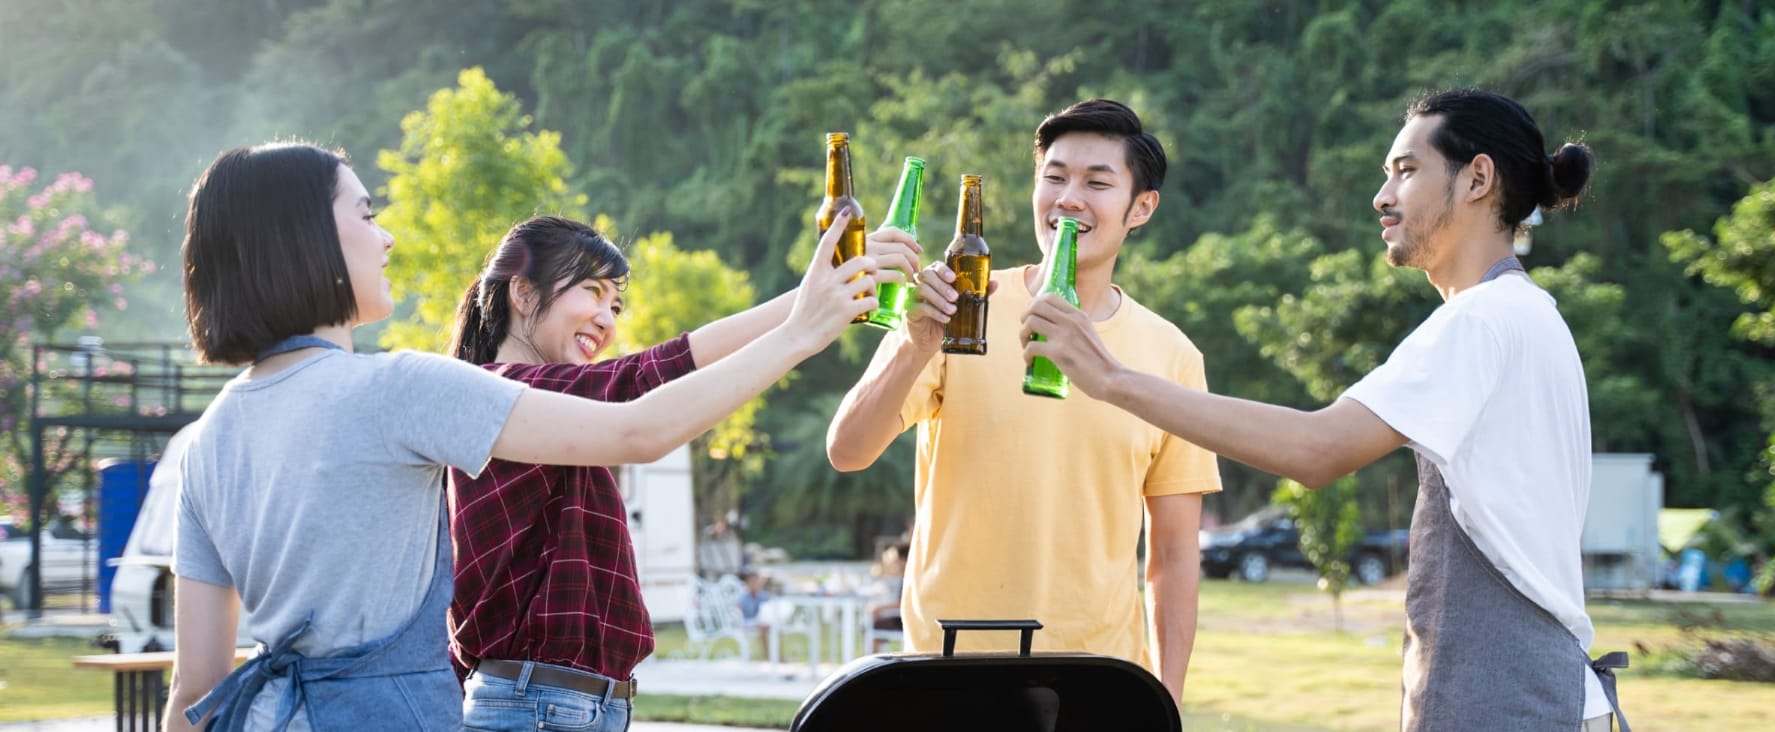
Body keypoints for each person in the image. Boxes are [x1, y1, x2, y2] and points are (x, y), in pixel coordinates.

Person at [163, 142, 881, 731]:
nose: (385, 236)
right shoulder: (399, 387)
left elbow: (193, 694)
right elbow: (639, 427)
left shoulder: (206, 440)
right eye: (366, 212)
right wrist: (803, 331)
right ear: (304, 236)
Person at [1019, 89, 1625, 731]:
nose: (1383, 196)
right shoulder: (1532, 314)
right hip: (1546, 693)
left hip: (1505, 702)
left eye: (1406, 171)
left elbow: (1316, 449)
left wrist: (1112, 379)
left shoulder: (1483, 320)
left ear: (1478, 178)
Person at [444, 215, 919, 730]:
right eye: (592, 292)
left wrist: (821, 291)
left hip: (572, 704)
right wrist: (803, 328)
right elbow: (642, 417)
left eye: (615, 306)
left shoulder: (549, 407)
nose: (608, 320)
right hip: (535, 703)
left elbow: (664, 366)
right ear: (522, 290)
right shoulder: (496, 394)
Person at [825, 99, 1221, 705]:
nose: (1069, 197)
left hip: (1096, 678)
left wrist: (1165, 699)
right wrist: (914, 341)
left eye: (1097, 182)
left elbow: (1171, 555)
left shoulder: (1172, 355)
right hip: (947, 667)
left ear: (1141, 207)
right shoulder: (960, 305)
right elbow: (847, 451)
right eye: (1054, 177)